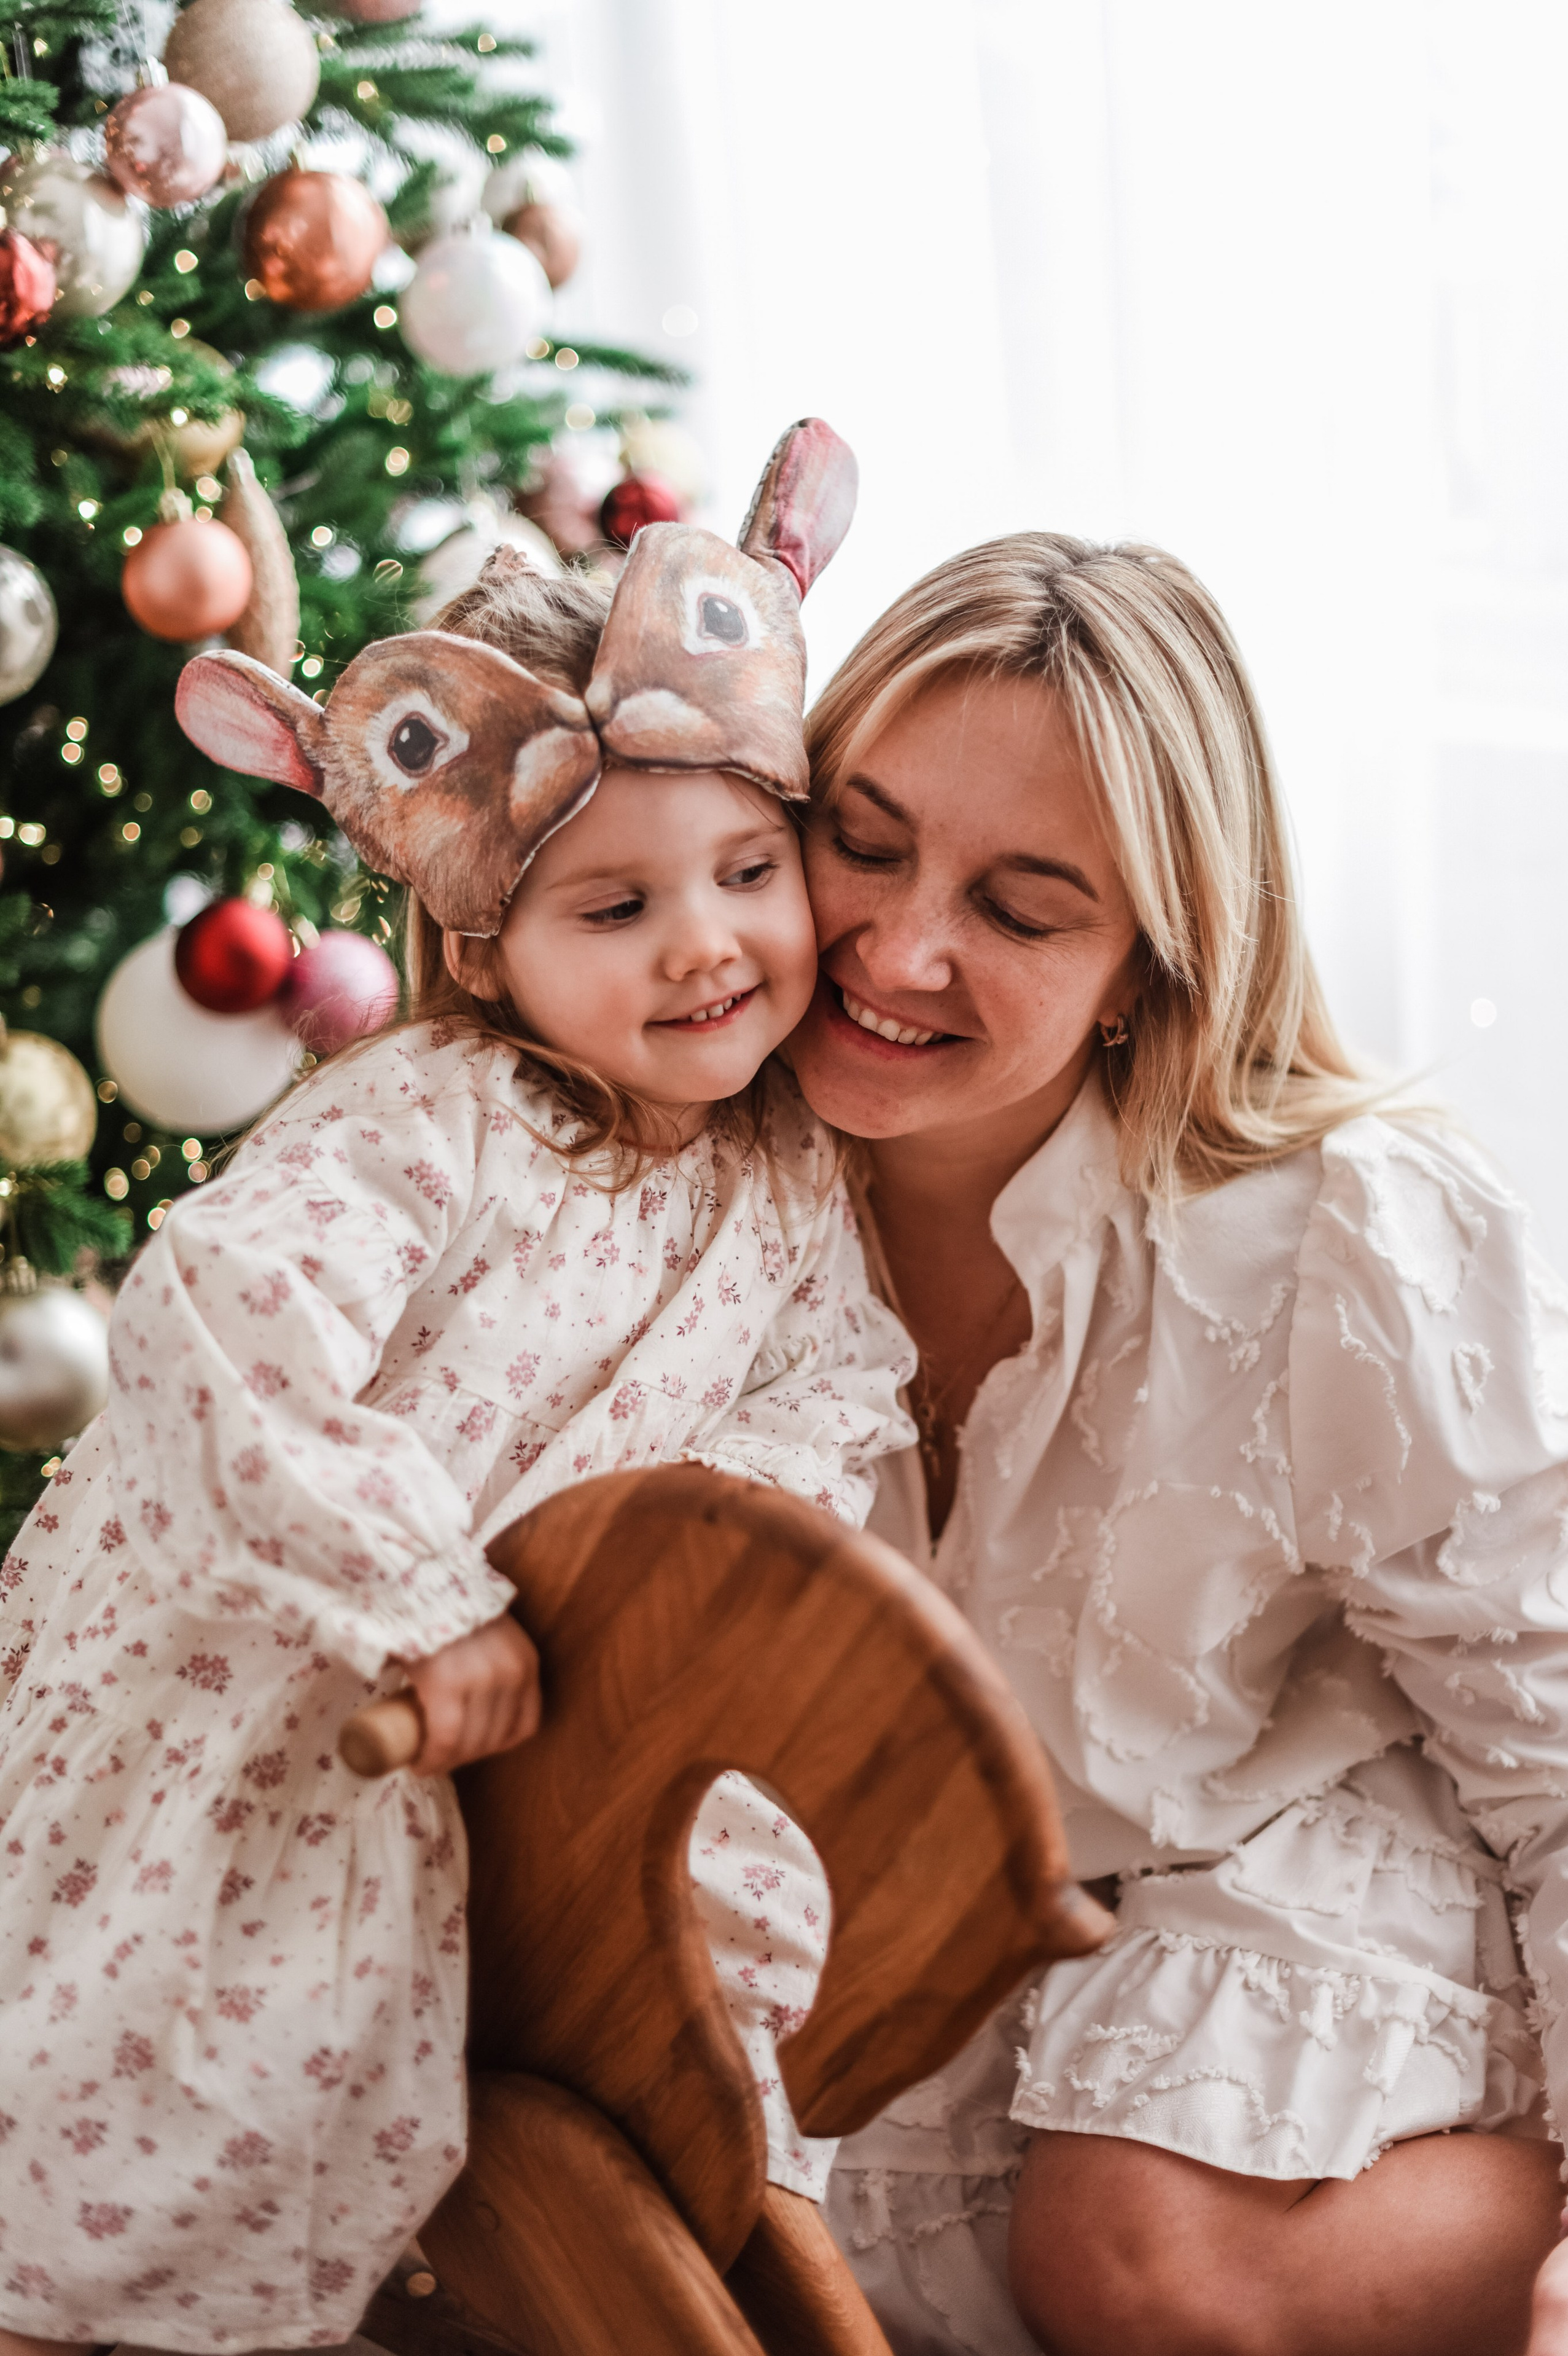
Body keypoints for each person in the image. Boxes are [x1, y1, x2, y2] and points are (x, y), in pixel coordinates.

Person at [0, 425, 913, 2354]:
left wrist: (674, 1588)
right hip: (306, 1674)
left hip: (577, 1691)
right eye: (617, 911)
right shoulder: (431, 1119)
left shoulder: (788, 1169)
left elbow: (830, 1399)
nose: (709, 945)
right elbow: (221, 1314)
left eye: (750, 869)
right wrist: (417, 1586)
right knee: (179, 2100)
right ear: (489, 953)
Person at [783, 532, 1568, 2356]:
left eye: (1023, 903)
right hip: (941, 1928)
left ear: (1150, 961)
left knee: (1136, 2257)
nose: (898, 947)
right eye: (866, 837)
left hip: (1288, 1857)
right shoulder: (664, 1167)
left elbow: (1560, 1746)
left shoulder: (1341, 1233)